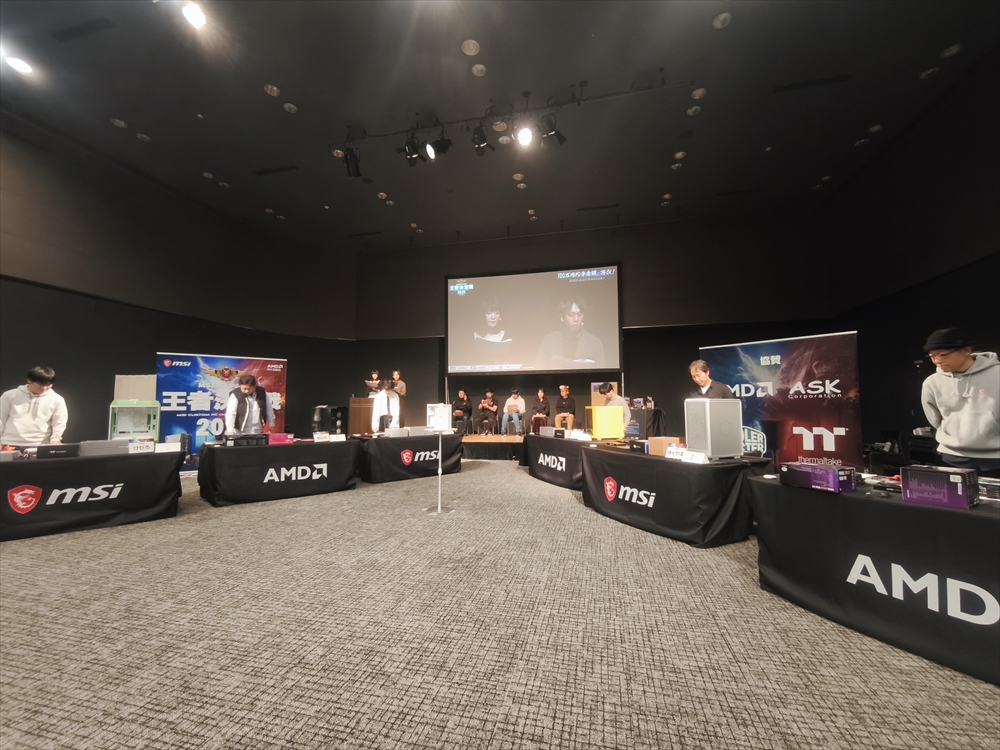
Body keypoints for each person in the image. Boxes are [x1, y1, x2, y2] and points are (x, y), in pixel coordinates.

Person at [920, 328, 1000, 477]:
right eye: (932, 356)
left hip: (995, 456)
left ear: (967, 350)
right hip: (951, 456)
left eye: (943, 355)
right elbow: (934, 418)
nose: (937, 360)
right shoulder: (932, 382)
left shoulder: (997, 374)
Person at [0, 366, 68, 446]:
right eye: (40, 384)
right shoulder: (10, 395)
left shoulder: (57, 399)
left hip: (39, 445)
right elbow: (1, 418)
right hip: (9, 443)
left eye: (48, 385)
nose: (44, 388)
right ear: (29, 381)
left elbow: (59, 422)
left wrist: (55, 439)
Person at [536, 297, 605, 369]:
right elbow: (538, 369)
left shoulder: (595, 343)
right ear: (562, 317)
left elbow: (602, 374)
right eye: (571, 314)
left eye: (579, 314)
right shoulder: (549, 341)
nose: (576, 319)